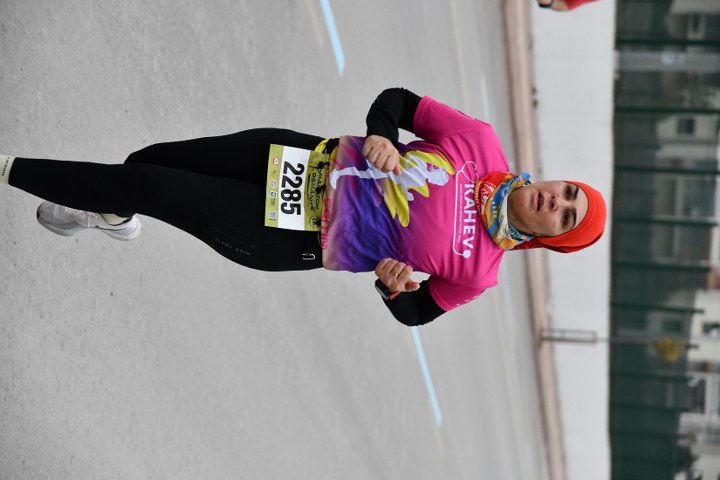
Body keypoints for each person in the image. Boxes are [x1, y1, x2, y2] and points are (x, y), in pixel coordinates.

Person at [0, 88, 606, 326]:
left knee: (151, 186)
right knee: (146, 162)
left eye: (565, 217)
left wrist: (392, 288)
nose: (557, 201)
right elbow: (397, 101)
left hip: (289, 233)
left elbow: (418, 311)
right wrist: (383, 136)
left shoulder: (478, 273)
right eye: (569, 192)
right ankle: (112, 213)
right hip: (294, 158)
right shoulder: (480, 143)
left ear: (550, 237)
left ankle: (12, 169)